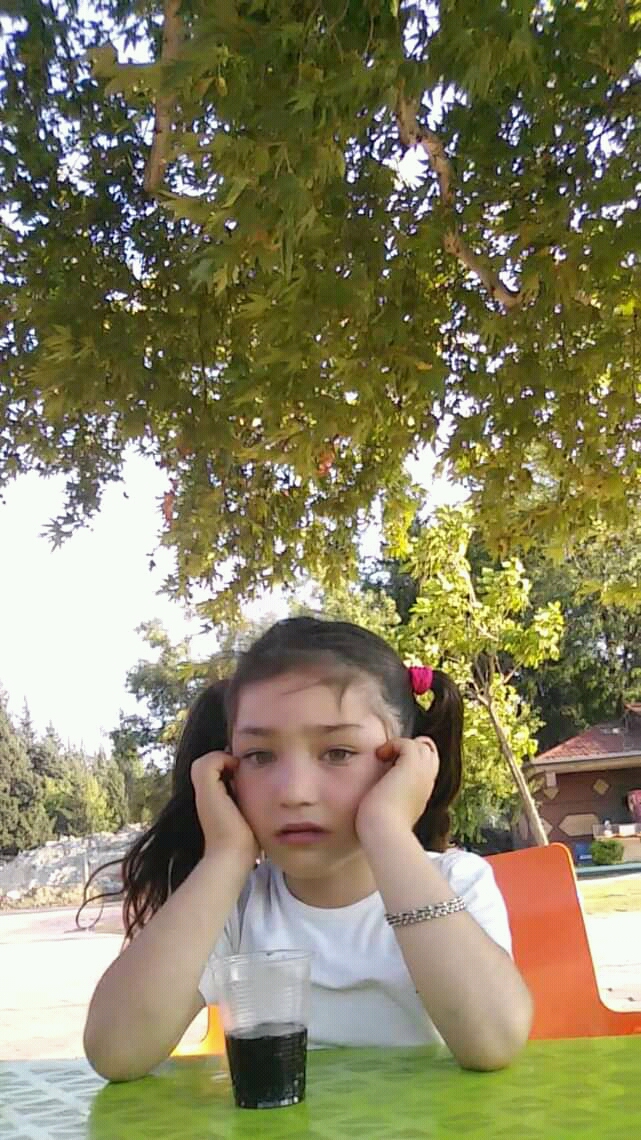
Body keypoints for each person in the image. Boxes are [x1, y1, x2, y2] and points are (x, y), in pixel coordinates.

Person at [83, 617, 533, 1082]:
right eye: (259, 756)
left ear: (402, 763)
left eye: (338, 753)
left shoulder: (456, 883)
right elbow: (116, 1052)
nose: (294, 792)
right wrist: (226, 856)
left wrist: (388, 830)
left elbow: (493, 1042)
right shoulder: (234, 907)